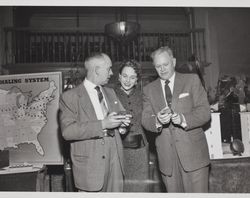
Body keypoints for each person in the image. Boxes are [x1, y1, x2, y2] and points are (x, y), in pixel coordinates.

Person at [141, 46, 211, 193]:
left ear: (173, 61)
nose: (162, 69)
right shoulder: (148, 89)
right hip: (167, 160)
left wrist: (183, 119)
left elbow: (205, 112)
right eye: (158, 66)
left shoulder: (191, 80)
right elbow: (146, 120)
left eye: (165, 64)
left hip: (194, 157)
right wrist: (158, 121)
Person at [59, 52, 131, 192]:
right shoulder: (70, 97)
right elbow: (67, 131)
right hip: (90, 166)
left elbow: (122, 119)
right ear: (97, 70)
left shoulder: (110, 92)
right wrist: (103, 124)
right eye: (109, 68)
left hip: (115, 163)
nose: (111, 73)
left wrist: (123, 126)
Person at [114, 60, 149, 192]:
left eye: (132, 77)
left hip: (140, 151)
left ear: (137, 80)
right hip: (118, 151)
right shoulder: (110, 95)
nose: (128, 81)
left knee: (139, 189)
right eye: (125, 76)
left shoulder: (144, 96)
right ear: (119, 77)